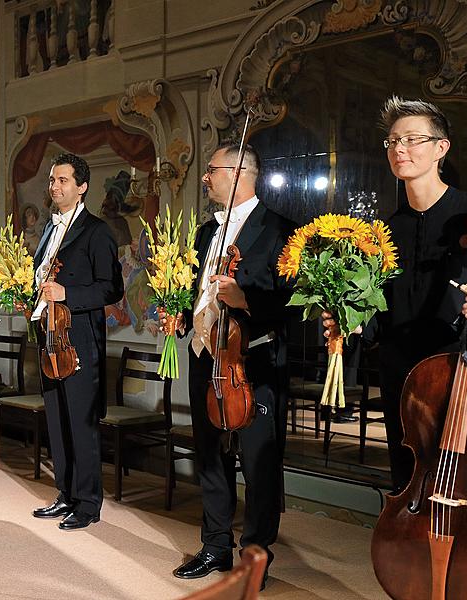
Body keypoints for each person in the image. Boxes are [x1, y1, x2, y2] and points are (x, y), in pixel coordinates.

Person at [323, 96, 467, 492]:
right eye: (393, 142)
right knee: (407, 479)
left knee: (465, 484)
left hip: (462, 374)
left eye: (412, 139)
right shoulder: (385, 229)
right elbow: (383, 316)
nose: (400, 149)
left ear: (440, 148)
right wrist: (354, 322)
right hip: (403, 379)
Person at [170, 143, 294, 589]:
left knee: (260, 464)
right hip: (207, 356)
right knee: (210, 455)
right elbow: (198, 290)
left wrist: (247, 300)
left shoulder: (281, 230)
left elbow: (295, 304)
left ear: (240, 171)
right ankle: (215, 546)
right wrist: (179, 313)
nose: (205, 178)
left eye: (211, 170)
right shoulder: (207, 232)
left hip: (252, 359)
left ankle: (255, 556)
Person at [30, 152, 123, 530]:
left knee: (82, 425)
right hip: (51, 334)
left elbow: (111, 288)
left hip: (79, 337)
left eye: (63, 180)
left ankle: (87, 504)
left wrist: (66, 293)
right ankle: (66, 494)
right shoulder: (51, 229)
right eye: (52, 180)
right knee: (57, 420)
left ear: (82, 187)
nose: (55, 186)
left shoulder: (97, 231)